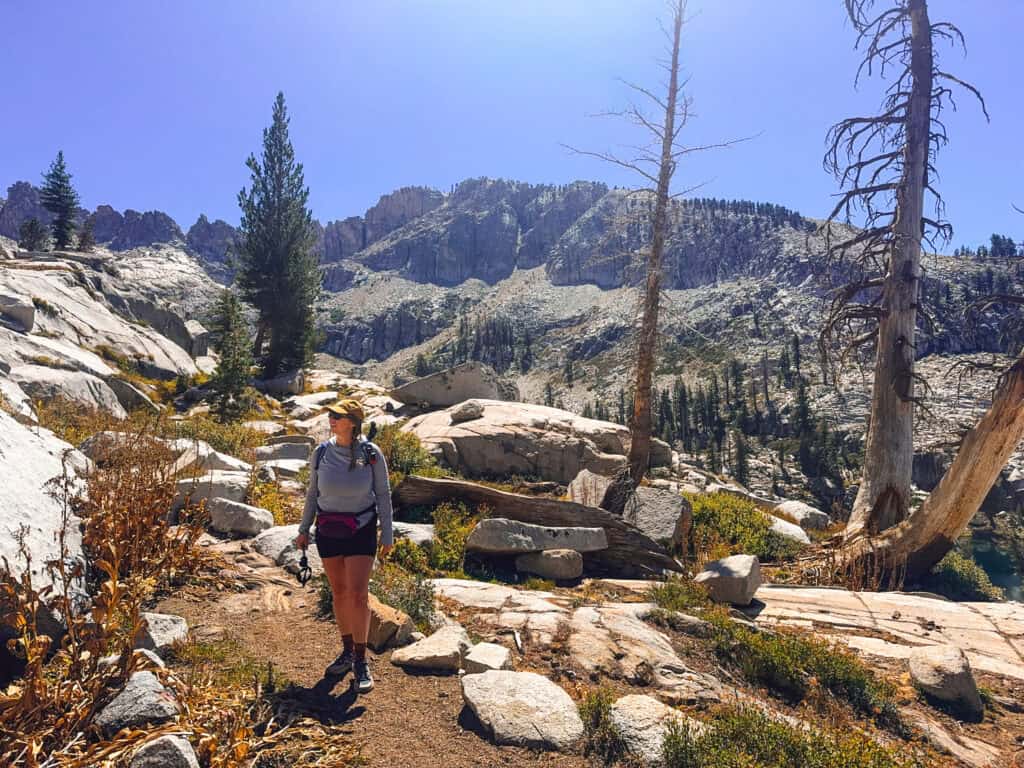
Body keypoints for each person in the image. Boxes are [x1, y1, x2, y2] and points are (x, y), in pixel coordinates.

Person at [294, 398, 393, 693]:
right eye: (331, 415)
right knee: (339, 593)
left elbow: (384, 495)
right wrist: (303, 530)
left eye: (338, 416)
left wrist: (387, 535)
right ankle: (347, 649)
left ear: (353, 421)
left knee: (358, 594)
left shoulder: (371, 454)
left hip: (361, 530)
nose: (331, 419)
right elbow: (312, 493)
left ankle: (360, 660)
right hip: (328, 530)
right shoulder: (321, 452)